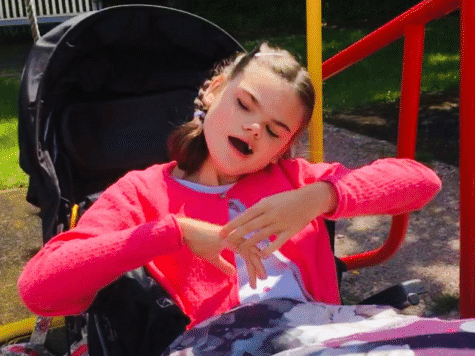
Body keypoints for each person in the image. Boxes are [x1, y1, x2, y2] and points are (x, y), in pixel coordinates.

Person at [17, 42, 442, 329]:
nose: (255, 128)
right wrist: (174, 232)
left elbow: (422, 182)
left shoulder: (294, 182)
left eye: (276, 131)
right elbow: (38, 289)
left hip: (324, 349)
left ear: (282, 148)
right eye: (244, 104)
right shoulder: (144, 193)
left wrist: (319, 197)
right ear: (214, 91)